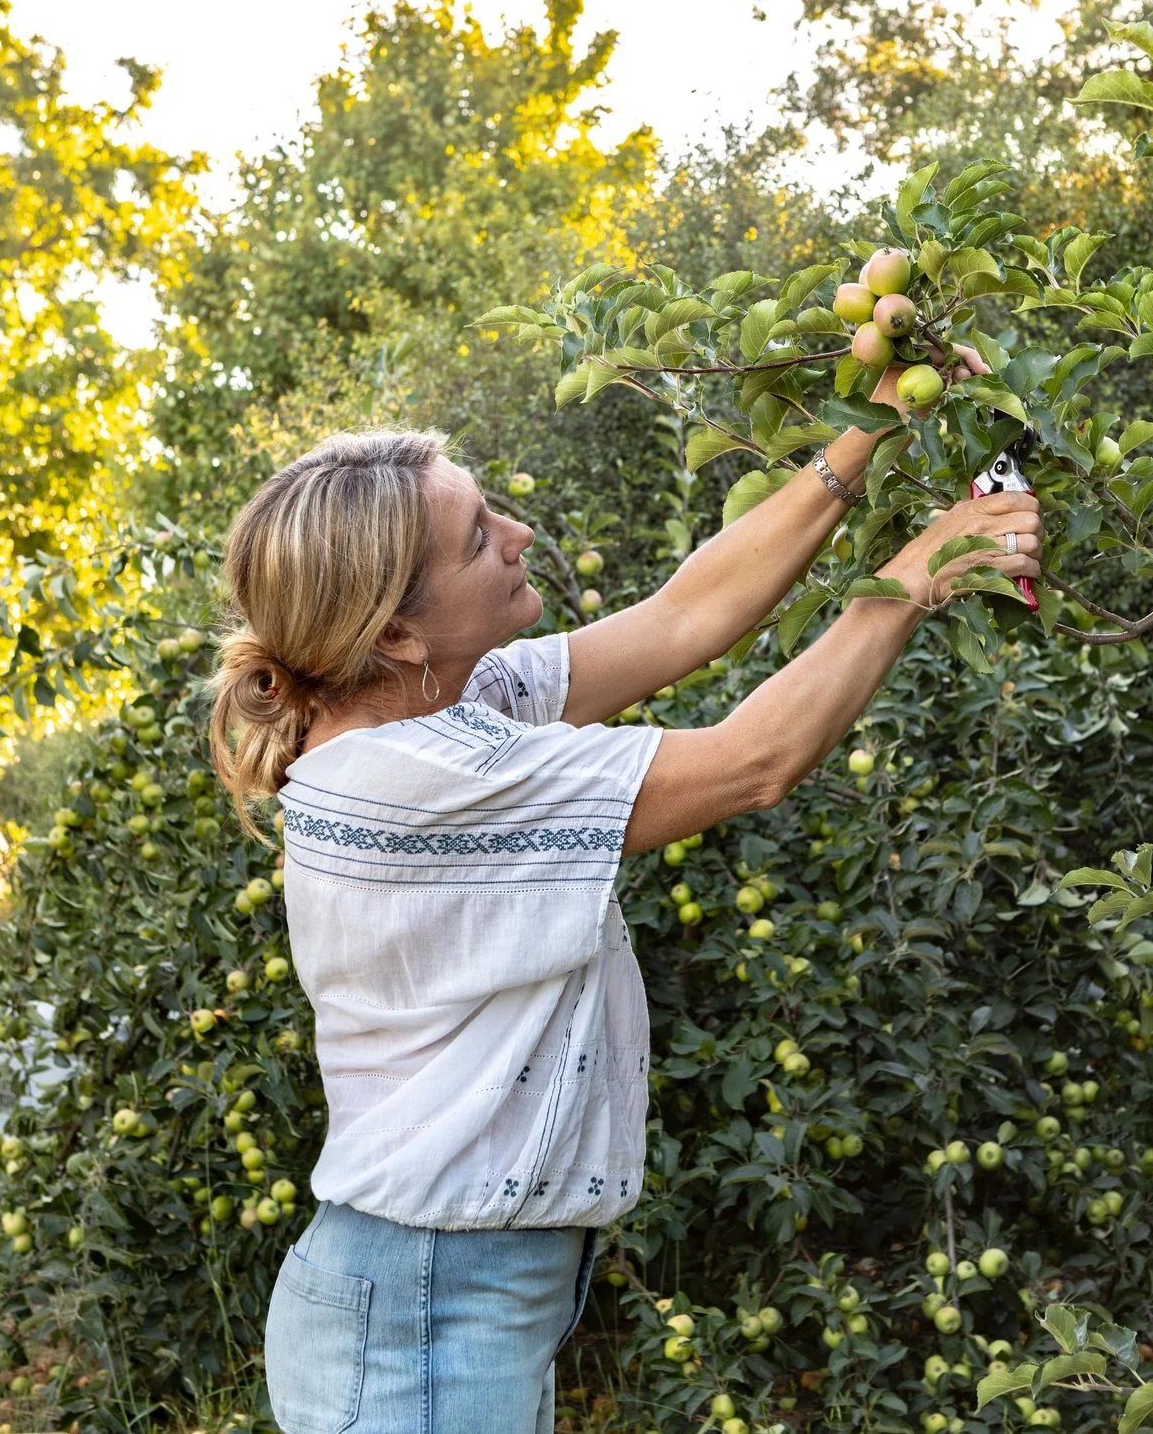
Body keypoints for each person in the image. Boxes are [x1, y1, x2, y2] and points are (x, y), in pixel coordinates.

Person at [207, 388, 1042, 1434]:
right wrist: (916, 576)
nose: (517, 536)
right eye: (477, 539)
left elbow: (684, 614)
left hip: (441, 1287)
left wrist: (869, 426)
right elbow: (753, 761)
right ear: (396, 629)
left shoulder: (439, 701)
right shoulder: (416, 775)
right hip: (427, 1304)